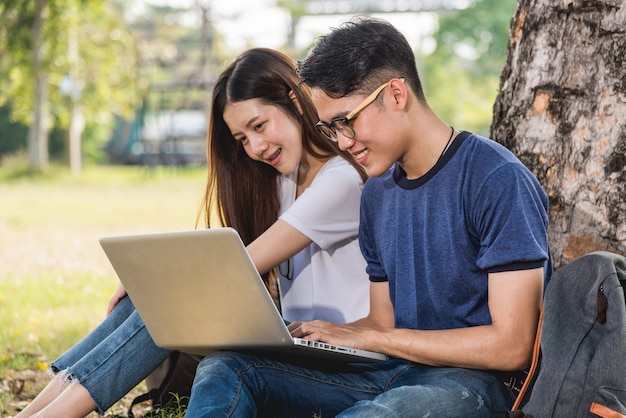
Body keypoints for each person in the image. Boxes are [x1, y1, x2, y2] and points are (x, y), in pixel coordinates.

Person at [185, 16, 552, 418]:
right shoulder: (378, 191)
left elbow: (512, 346)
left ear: (396, 94)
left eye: (347, 121)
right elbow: (382, 320)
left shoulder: (496, 179)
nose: (342, 141)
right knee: (226, 369)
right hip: (392, 371)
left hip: (475, 383)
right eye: (329, 129)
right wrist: (330, 338)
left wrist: (379, 340)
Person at [15, 48, 370, 418]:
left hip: (343, 360)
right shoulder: (285, 183)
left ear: (295, 102)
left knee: (172, 297)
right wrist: (147, 283)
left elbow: (235, 269)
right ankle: (34, 413)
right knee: (149, 298)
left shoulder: (341, 180)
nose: (256, 147)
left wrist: (157, 282)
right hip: (297, 342)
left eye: (259, 126)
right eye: (242, 139)